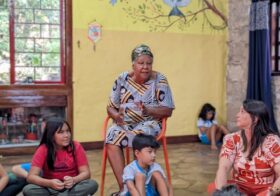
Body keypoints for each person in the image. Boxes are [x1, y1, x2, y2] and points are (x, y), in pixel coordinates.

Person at [106, 44, 175, 195]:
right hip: (125, 123)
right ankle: (124, 187)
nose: (145, 67)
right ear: (133, 64)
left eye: (148, 63)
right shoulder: (122, 79)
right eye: (141, 63)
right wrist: (116, 116)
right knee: (112, 136)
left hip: (149, 123)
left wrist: (148, 110)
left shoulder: (160, 80)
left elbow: (168, 110)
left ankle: (143, 186)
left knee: (139, 135)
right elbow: (110, 107)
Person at [208, 99, 280, 196]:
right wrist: (221, 192)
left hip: (266, 190)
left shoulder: (271, 142)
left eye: (242, 112)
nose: (237, 115)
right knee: (213, 188)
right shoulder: (231, 139)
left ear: (255, 118)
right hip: (240, 190)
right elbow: (223, 168)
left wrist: (271, 193)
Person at [23, 117, 98, 196]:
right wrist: (49, 183)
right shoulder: (43, 149)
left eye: (68, 131)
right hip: (51, 188)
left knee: (92, 184)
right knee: (28, 189)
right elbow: (31, 177)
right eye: (61, 132)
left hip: (72, 187)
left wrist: (73, 180)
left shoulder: (76, 146)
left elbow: (86, 173)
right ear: (51, 135)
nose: (66, 135)